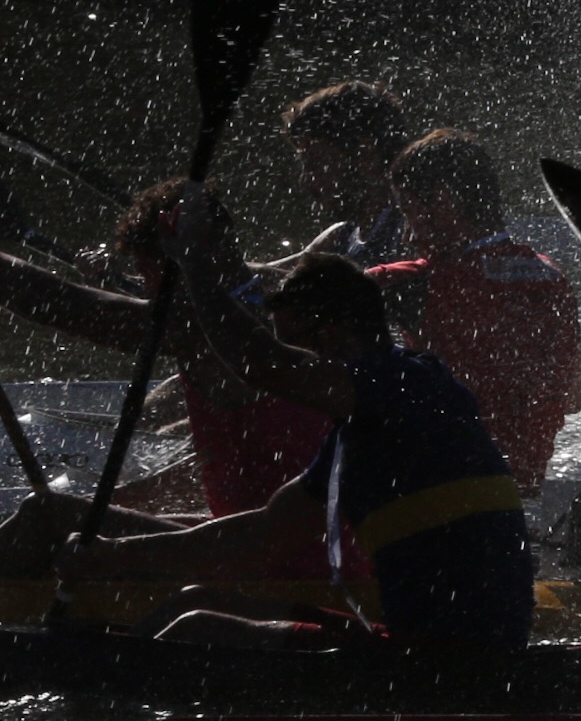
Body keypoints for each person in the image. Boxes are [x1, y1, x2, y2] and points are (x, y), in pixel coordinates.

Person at [53, 217, 536, 650]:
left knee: (195, 629)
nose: (286, 392)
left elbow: (263, 364)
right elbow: (259, 536)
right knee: (192, 601)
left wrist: (192, 264)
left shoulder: (407, 384)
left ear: (332, 335)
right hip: (424, 635)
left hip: (455, 651)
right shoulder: (357, 433)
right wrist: (111, 555)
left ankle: (112, 697)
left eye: (300, 350)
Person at [0, 180, 331, 571]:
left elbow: (58, 303)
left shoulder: (204, 327)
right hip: (283, 539)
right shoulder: (281, 293)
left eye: (147, 274)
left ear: (180, 258)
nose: (146, 289)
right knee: (85, 518)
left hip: (269, 561)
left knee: (49, 515)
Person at [365, 130, 581, 493]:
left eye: (408, 211)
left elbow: (314, 296)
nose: (406, 235)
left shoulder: (420, 281)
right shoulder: (550, 275)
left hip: (441, 488)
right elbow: (572, 399)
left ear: (444, 202)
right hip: (523, 489)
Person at [281, 81, 417, 268]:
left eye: (314, 162)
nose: (306, 179)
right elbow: (268, 277)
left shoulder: (411, 233)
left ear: (365, 153)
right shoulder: (342, 236)